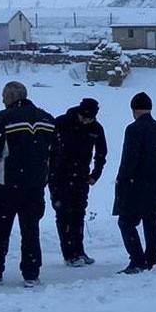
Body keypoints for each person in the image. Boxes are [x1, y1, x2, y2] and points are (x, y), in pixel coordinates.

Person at [0, 81, 56, 287]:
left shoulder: (4, 118)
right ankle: (31, 272)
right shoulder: (48, 119)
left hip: (6, 185)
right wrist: (46, 177)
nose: (2, 100)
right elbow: (56, 153)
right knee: (31, 229)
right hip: (35, 186)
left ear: (10, 97)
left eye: (4, 96)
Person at [113, 91, 156, 275]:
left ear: (134, 109)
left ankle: (137, 260)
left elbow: (129, 159)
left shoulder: (133, 129)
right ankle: (152, 258)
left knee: (126, 222)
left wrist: (122, 180)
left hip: (136, 185)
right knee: (151, 220)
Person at [50, 97, 108, 267]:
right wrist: (50, 172)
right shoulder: (61, 123)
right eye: (84, 117)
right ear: (79, 112)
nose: (85, 121)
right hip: (59, 176)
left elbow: (101, 153)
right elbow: (48, 147)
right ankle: (69, 254)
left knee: (78, 213)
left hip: (81, 176)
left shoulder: (95, 128)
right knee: (63, 213)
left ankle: (79, 250)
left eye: (89, 119)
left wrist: (96, 174)